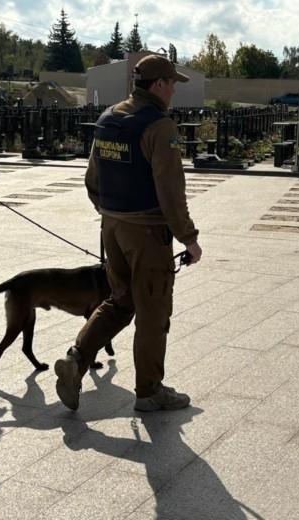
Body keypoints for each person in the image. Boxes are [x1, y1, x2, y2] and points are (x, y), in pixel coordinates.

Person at [54, 54, 202, 412]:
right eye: (172, 85)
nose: (173, 93)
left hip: (112, 226)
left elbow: (92, 178)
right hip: (147, 233)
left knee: (120, 301)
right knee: (153, 311)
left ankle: (77, 359)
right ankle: (150, 391)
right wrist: (189, 238)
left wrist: (109, 213)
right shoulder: (159, 126)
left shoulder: (109, 117)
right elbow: (170, 190)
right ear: (159, 85)